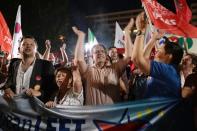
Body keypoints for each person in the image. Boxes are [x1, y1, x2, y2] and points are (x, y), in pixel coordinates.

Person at [73, 19, 133, 105]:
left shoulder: (115, 69)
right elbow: (79, 60)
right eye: (96, 52)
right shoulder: (88, 71)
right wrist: (81, 36)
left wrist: (126, 33)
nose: (100, 53)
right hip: (93, 115)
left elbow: (128, 56)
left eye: (102, 51)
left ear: (105, 55)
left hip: (113, 116)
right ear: (92, 56)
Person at [132, 12, 183, 98]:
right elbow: (143, 60)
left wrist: (141, 31)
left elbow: (138, 60)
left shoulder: (168, 71)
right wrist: (153, 39)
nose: (156, 52)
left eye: (159, 50)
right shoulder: (170, 70)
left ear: (169, 56)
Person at [3, 36, 57, 103]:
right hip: (14, 108)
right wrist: (7, 89)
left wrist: (39, 93)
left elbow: (53, 89)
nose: (28, 46)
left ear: (36, 49)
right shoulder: (14, 64)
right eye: (24, 44)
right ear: (19, 48)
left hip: (35, 110)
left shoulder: (46, 65)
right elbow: (8, 83)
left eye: (31, 44)